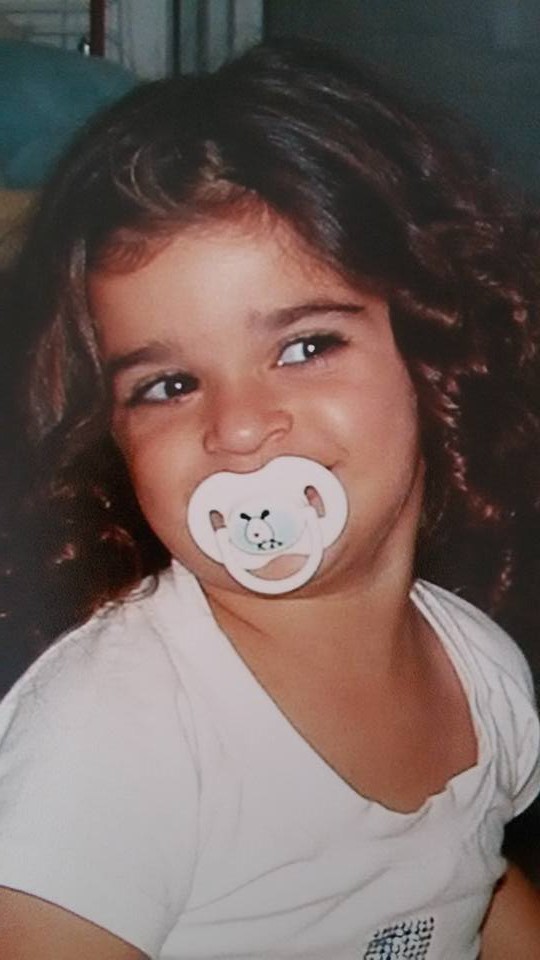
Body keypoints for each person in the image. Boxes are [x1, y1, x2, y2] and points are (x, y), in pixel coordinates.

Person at [0, 38, 540, 960]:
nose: (240, 427)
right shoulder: (117, 731)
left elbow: (465, 881)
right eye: (169, 385)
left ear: (434, 349)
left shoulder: (481, 673)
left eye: (304, 347)